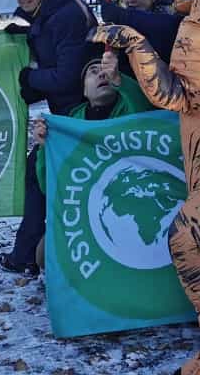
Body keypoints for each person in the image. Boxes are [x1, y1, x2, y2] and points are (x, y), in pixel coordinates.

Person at [0, 0, 100, 276]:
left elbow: (67, 77)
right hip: (67, 113)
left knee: (39, 173)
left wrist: (27, 77)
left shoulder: (67, 16)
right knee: (42, 175)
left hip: (85, 114)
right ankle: (31, 253)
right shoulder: (45, 11)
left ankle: (28, 254)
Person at [14, 52, 152, 274]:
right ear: (84, 91)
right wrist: (43, 148)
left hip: (130, 210)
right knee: (43, 254)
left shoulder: (131, 109)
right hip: (88, 214)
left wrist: (121, 81)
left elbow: (143, 108)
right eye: (93, 72)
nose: (101, 75)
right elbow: (50, 184)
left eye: (105, 70)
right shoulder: (69, 125)